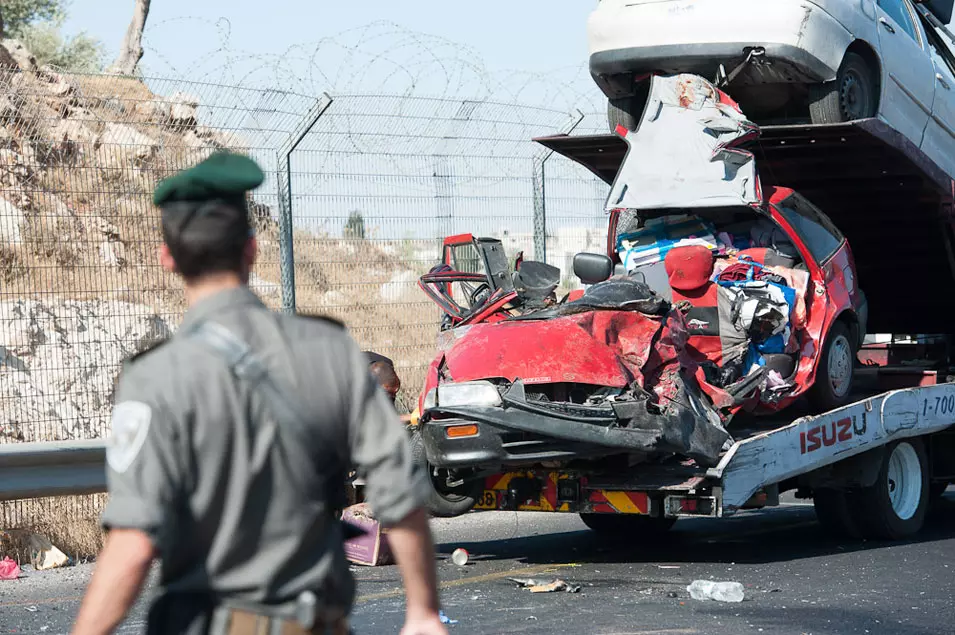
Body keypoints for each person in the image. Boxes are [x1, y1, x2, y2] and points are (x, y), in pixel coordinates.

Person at [71, 152, 448, 635]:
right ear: (250, 249)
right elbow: (399, 492)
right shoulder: (331, 352)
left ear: (167, 257)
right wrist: (422, 612)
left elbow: (135, 543)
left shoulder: (154, 378)